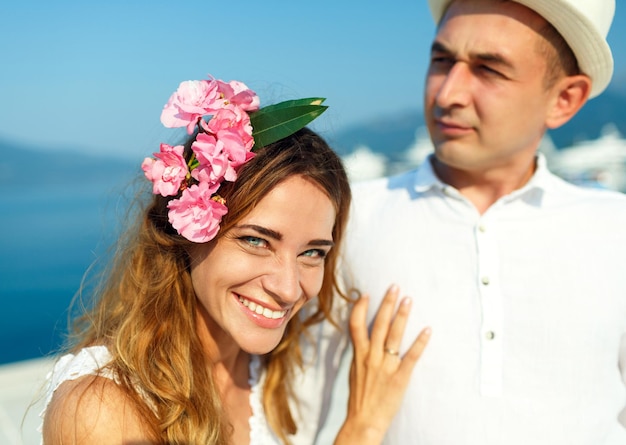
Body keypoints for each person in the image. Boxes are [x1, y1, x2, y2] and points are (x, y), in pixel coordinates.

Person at [39, 77, 431, 445]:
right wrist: (362, 429)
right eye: (256, 241)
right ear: (184, 231)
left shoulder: (272, 374)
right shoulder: (103, 410)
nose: (289, 288)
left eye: (312, 252)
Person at [308, 0, 626, 444]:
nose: (447, 93)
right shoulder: (345, 218)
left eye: (489, 69)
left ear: (564, 99)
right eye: (441, 60)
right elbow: (290, 413)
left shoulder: (616, 232)